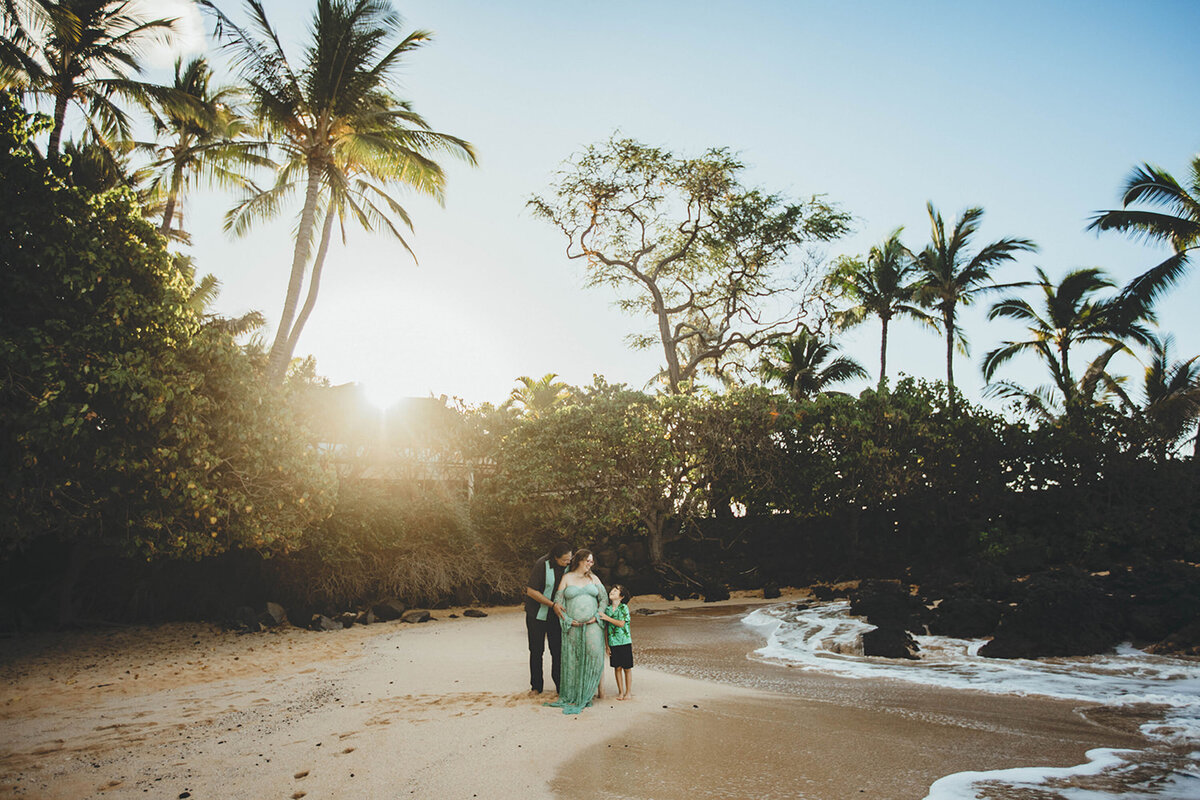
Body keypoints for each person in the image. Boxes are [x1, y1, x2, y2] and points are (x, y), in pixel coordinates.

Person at [545, 549, 607, 714]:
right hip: (572, 625)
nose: (590, 564)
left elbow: (604, 600)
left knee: (594, 654)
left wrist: (597, 616)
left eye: (592, 561)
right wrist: (566, 619)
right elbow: (558, 601)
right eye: (588, 560)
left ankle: (589, 691)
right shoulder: (567, 577)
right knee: (574, 658)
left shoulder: (594, 578)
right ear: (579, 560)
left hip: (593, 624)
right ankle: (574, 693)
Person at [525, 541, 572, 695]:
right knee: (536, 650)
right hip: (536, 614)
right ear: (555, 557)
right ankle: (536, 686)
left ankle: (560, 685)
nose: (568, 562)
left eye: (570, 559)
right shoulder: (542, 564)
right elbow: (531, 591)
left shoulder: (569, 566)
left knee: (558, 651)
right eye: (565, 560)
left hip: (557, 616)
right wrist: (552, 605)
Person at [600, 584, 633, 700]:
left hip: (624, 642)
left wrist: (606, 618)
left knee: (627, 668)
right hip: (613, 643)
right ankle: (620, 692)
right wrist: (606, 645)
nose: (612, 591)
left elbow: (621, 623)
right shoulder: (607, 609)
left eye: (616, 591)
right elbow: (605, 629)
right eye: (612, 590)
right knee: (617, 668)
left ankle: (628, 692)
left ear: (621, 596)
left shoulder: (624, 608)